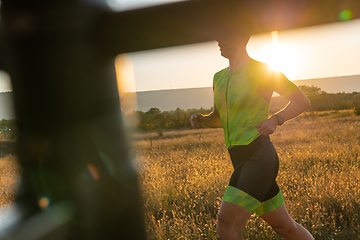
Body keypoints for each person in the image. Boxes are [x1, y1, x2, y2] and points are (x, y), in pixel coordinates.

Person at [190, 34, 314, 240]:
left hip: (258, 154)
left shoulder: (262, 71)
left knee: (226, 226)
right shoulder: (219, 77)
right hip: (239, 158)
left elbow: (301, 100)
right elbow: (219, 118)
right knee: (285, 227)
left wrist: (276, 119)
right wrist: (203, 119)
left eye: (224, 35)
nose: (219, 41)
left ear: (241, 37)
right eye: (218, 37)